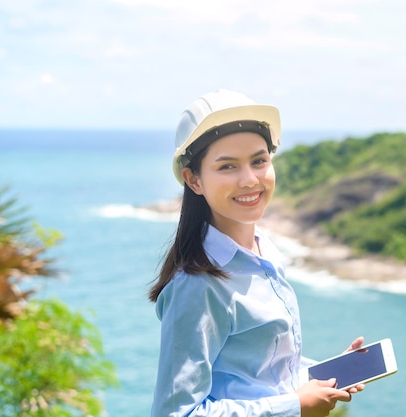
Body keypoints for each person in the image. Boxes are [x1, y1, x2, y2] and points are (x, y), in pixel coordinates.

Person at [148, 89, 365, 417]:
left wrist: (324, 377)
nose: (249, 179)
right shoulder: (196, 285)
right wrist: (295, 407)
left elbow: (262, 374)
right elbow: (177, 413)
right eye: (227, 167)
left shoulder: (266, 251)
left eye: (259, 161)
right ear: (194, 180)